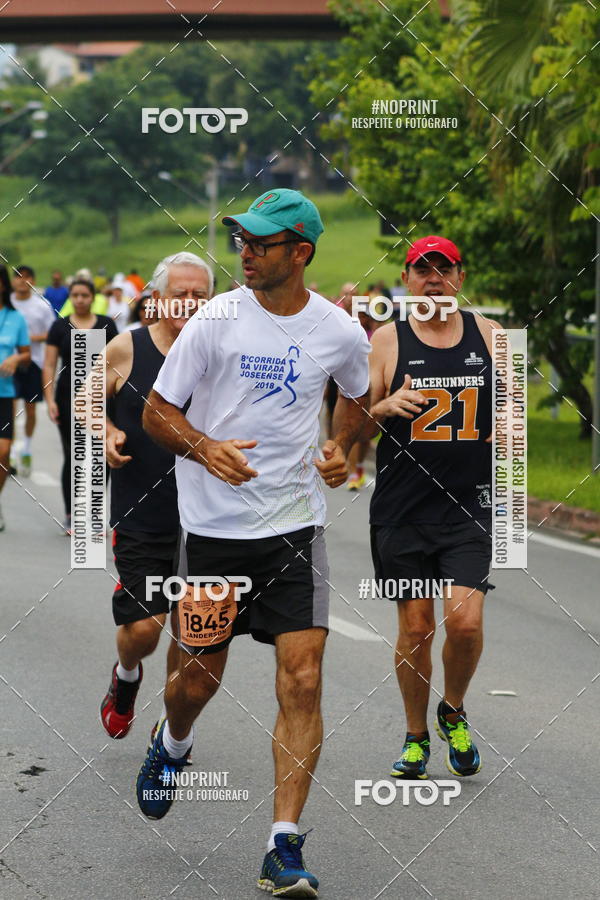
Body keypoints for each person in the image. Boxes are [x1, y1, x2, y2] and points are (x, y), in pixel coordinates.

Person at [138, 189, 370, 899]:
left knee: (302, 679)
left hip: (295, 530)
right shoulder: (216, 320)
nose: (245, 250)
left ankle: (282, 845)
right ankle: (171, 742)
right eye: (241, 238)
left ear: (300, 252)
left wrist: (344, 450)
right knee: (195, 681)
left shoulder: (339, 331)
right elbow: (157, 413)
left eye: (261, 242)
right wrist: (204, 447)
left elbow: (357, 398)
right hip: (213, 534)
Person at [366, 235, 501, 781]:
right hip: (401, 511)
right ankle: (416, 736)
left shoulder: (492, 337)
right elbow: (351, 419)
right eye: (422, 270)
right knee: (417, 629)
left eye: (442, 269)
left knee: (464, 624)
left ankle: (454, 709)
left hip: (468, 509)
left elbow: (512, 415)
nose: (432, 279)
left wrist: (507, 440)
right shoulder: (385, 341)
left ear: (459, 278)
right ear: (406, 278)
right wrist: (385, 405)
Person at [99, 251, 213, 740]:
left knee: (192, 629)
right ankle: (125, 678)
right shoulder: (129, 347)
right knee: (145, 630)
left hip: (208, 517)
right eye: (180, 294)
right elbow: (85, 396)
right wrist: (103, 429)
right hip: (142, 509)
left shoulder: (219, 353)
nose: (189, 303)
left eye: (200, 296)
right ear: (157, 298)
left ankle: (172, 719)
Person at [43, 279, 118, 533]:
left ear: (92, 297)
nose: (80, 300)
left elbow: (118, 362)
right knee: (73, 454)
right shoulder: (59, 326)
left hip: (101, 397)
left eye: (85, 295)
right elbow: (49, 365)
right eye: (75, 295)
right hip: (68, 397)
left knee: (100, 455)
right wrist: (50, 399)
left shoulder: (107, 324)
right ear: (70, 298)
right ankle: (72, 514)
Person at [11, 265, 56, 477]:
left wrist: (28, 339)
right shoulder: (7, 304)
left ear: (33, 280)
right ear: (12, 281)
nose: (22, 281)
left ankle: (26, 447)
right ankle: (9, 449)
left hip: (34, 362)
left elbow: (52, 333)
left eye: (27, 277)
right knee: (9, 408)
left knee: (30, 409)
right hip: (9, 363)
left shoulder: (41, 306)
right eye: (18, 277)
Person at [0, 265, 30, 531]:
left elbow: (27, 355)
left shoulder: (15, 318)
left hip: (4, 394)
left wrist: (15, 358)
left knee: (3, 451)